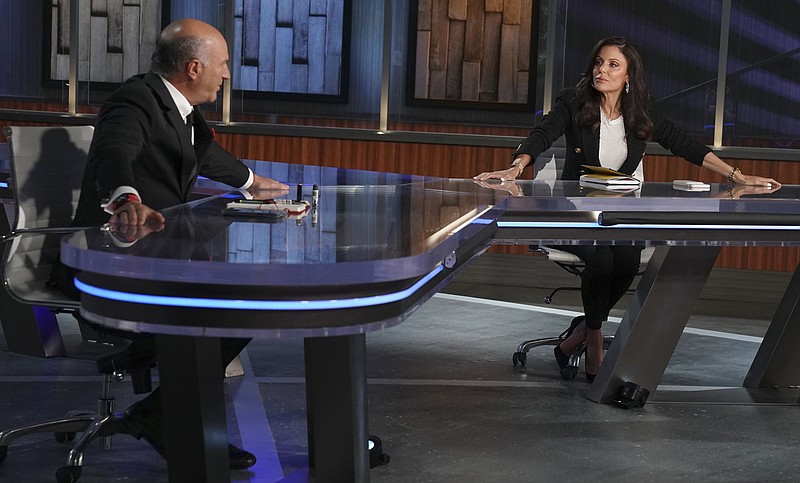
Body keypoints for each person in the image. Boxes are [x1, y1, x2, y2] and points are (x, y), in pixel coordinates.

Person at [474, 36, 780, 382]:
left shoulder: (640, 113)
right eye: (598, 63)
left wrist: (738, 175)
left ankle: (576, 336)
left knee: (629, 258)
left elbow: (684, 144)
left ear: (628, 76)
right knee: (603, 259)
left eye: (612, 65)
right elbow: (543, 134)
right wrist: (515, 168)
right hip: (576, 215)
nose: (602, 70)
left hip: (618, 216)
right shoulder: (573, 103)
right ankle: (592, 339)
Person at [59, 18, 288, 469]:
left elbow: (202, 153)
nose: (226, 75)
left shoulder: (178, 109)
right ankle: (166, 416)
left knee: (242, 305)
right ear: (194, 67)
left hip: (157, 258)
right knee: (229, 310)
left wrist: (252, 182)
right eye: (222, 65)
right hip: (114, 263)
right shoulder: (136, 99)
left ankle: (163, 413)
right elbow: (114, 150)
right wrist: (125, 196)